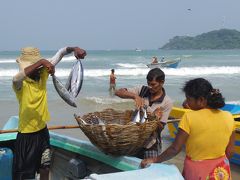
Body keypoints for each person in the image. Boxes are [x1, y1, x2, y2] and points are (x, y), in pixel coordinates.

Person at [12, 46, 86, 180]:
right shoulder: (21, 85)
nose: (39, 70)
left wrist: (74, 48)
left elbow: (61, 53)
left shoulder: (44, 75)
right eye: (36, 66)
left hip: (42, 132)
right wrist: (41, 62)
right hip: (26, 137)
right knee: (23, 175)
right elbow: (16, 78)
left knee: (45, 167)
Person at [141, 78, 235, 180]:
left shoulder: (189, 117)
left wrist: (155, 159)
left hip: (197, 171)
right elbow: (230, 152)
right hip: (221, 171)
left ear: (201, 100)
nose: (186, 102)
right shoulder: (228, 117)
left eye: (188, 99)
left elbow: (175, 149)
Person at [115, 68, 173, 159]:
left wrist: (154, 117)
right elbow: (118, 92)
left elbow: (160, 129)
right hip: (134, 140)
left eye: (153, 84)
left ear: (162, 82)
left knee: (149, 169)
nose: (150, 87)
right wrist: (135, 96)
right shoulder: (142, 90)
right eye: (148, 84)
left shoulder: (167, 102)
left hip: (150, 144)